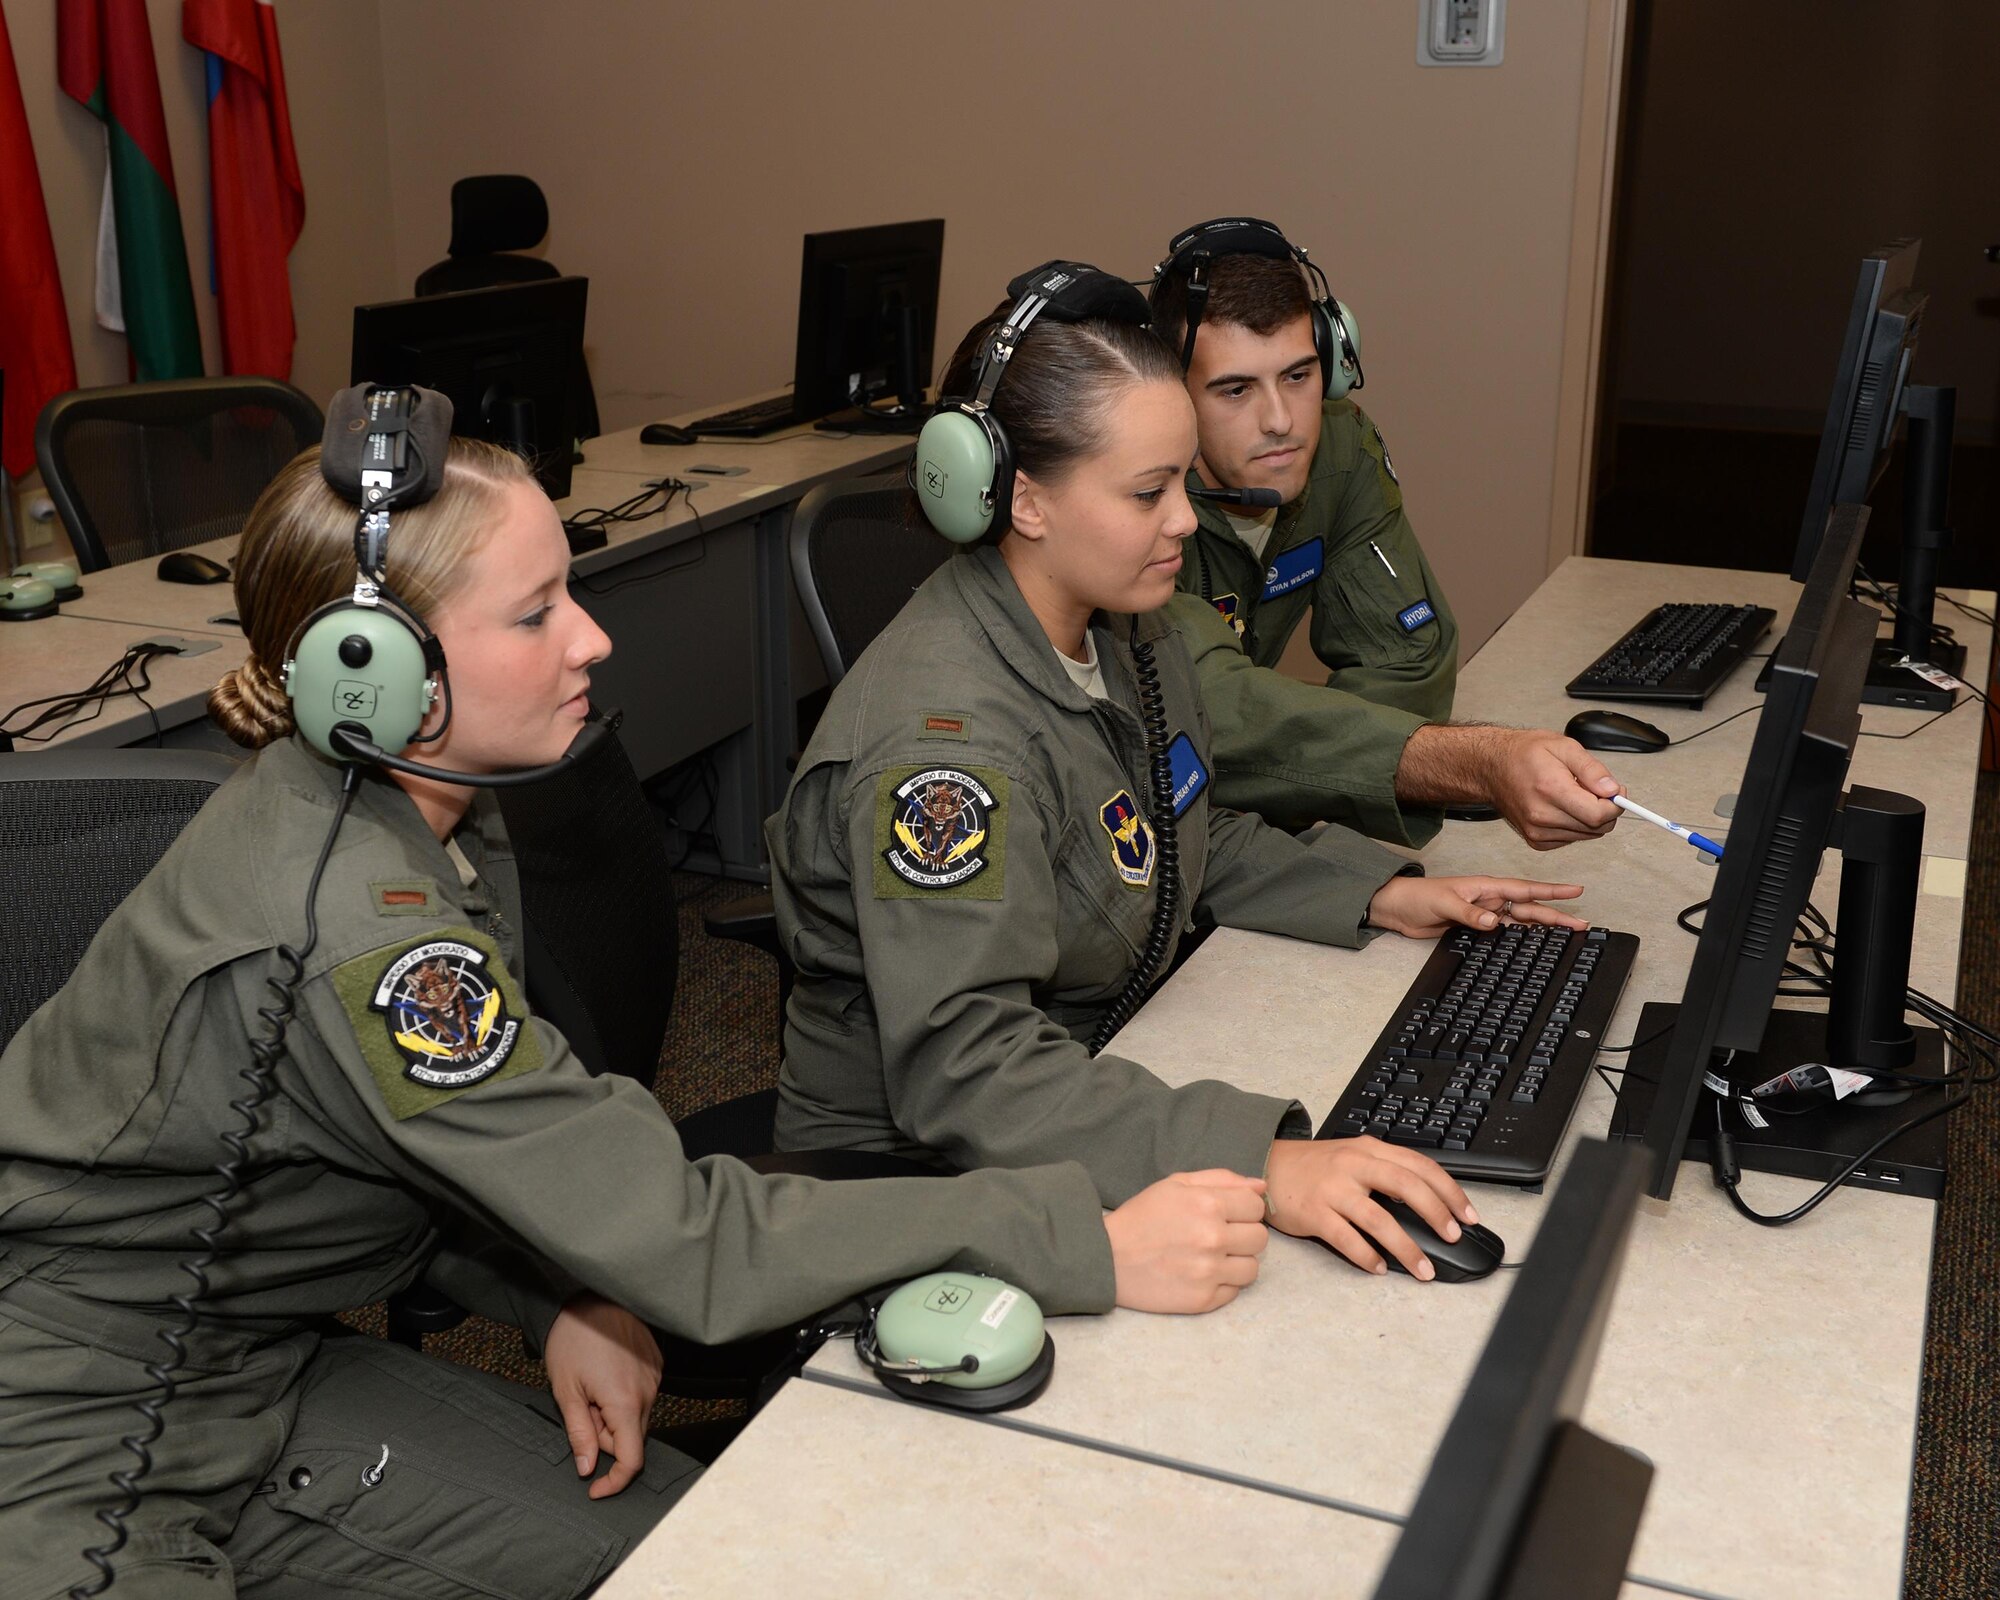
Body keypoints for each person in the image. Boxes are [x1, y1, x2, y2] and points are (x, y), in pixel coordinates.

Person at [0, 402, 1279, 1598]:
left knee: (694, 1546)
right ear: (377, 676)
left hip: (253, 1348)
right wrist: (1081, 1242)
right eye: (536, 612)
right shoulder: (364, 931)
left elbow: (370, 1143)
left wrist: (564, 1291)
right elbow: (682, 1233)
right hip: (63, 1441)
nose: (593, 639)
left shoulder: (421, 808)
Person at [769, 264, 1589, 1292]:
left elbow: (1169, 824)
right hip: (913, 1176)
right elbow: (966, 1072)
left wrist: (1373, 889)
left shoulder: (1120, 624)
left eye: (1180, 481)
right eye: (1147, 492)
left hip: (1091, 1066)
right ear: (1020, 497)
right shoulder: (949, 753)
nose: (1187, 522)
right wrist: (1260, 1159)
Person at [1148, 216, 1625, 851]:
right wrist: (1470, 763)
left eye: (1298, 375)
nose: (1281, 421)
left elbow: (1406, 661)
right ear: (1168, 398)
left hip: (1230, 846)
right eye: (1235, 390)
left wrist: (1312, 782)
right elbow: (1202, 705)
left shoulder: (1337, 449)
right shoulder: (1139, 500)